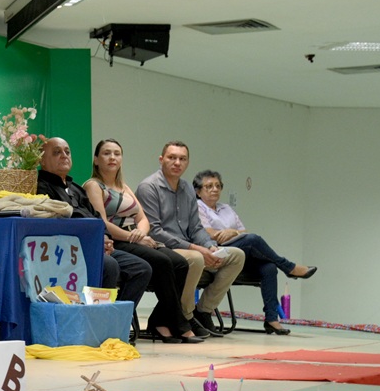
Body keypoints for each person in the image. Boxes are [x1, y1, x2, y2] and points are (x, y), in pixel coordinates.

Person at [82, 139, 201, 344]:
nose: (112, 158)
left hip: (135, 238)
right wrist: (131, 236)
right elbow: (101, 223)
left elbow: (143, 218)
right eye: (106, 153)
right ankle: (178, 323)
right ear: (96, 159)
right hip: (115, 240)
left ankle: (160, 320)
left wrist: (141, 233)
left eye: (117, 153)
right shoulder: (94, 185)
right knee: (161, 262)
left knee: (180, 263)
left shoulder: (124, 187)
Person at [37, 138, 152, 342]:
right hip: (73, 249)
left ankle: (116, 323)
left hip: (99, 245)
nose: (64, 156)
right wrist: (98, 242)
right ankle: (97, 330)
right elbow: (59, 225)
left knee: (141, 269)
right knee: (109, 266)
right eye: (57, 152)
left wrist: (105, 238)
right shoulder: (41, 187)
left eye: (67, 151)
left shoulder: (75, 189)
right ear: (42, 160)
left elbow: (98, 219)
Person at [135, 141, 245, 339]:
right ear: (161, 160)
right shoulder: (148, 187)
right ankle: (185, 315)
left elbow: (196, 227)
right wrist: (197, 248)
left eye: (182, 159)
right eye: (172, 157)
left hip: (190, 247)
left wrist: (210, 246)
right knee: (196, 258)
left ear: (187, 162)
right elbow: (155, 231)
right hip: (163, 248)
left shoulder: (186, 188)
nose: (177, 162)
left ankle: (202, 311)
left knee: (236, 255)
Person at [194, 169, 317, 334]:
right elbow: (209, 235)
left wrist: (233, 232)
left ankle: (272, 319)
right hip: (216, 252)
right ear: (198, 191)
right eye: (209, 186)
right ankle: (289, 267)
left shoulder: (226, 208)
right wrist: (234, 234)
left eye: (218, 186)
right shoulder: (197, 206)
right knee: (253, 240)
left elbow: (242, 231)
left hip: (238, 251)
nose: (215, 189)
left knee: (268, 267)